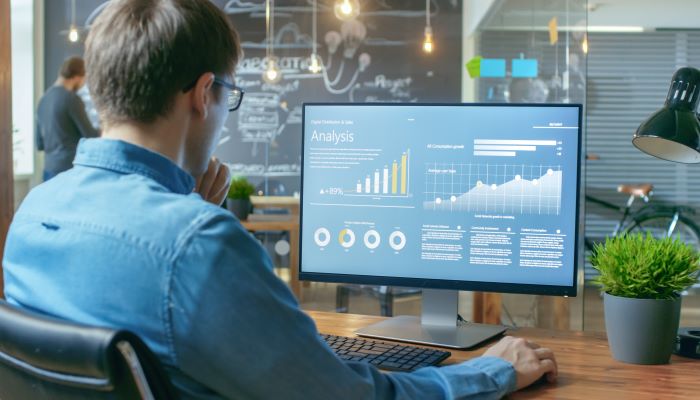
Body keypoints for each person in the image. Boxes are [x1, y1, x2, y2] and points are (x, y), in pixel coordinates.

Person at [3, 1, 557, 399]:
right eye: (230, 96)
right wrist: (491, 371)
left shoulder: (34, 215)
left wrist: (186, 204)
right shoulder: (196, 246)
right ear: (203, 95)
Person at [35, 56, 100, 181]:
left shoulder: (42, 100)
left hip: (48, 172)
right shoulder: (71, 99)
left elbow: (39, 144)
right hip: (69, 171)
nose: (82, 85)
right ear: (77, 77)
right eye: (83, 80)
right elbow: (90, 134)